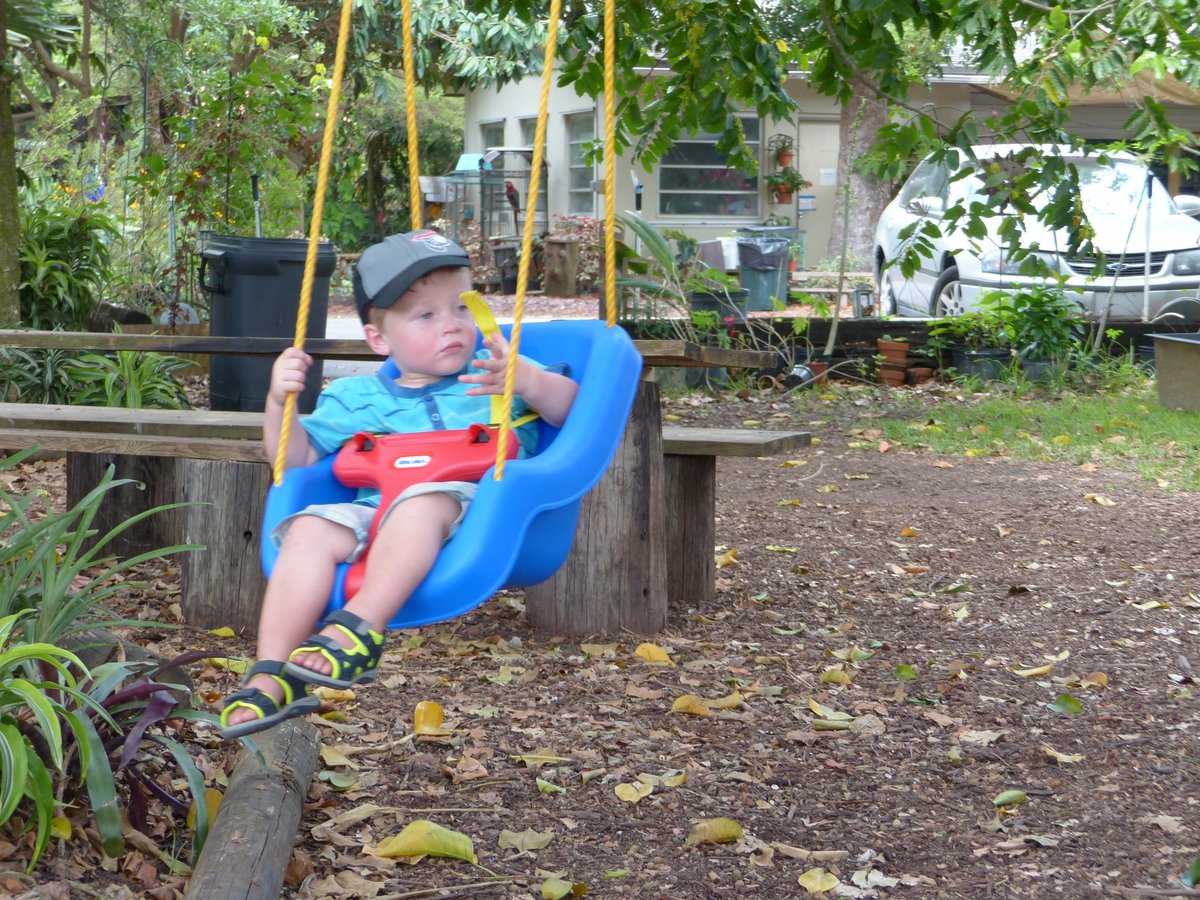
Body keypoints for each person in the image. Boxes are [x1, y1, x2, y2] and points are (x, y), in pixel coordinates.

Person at [220, 230, 578, 738]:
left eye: (462, 306)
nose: (451, 324)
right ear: (379, 339)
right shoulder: (356, 397)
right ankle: (273, 673)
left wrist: (529, 382)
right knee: (307, 530)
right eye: (425, 315)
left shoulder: (496, 367)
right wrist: (279, 402)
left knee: (420, 501)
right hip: (376, 510)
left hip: (480, 513)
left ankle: (359, 627)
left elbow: (573, 411)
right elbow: (293, 460)